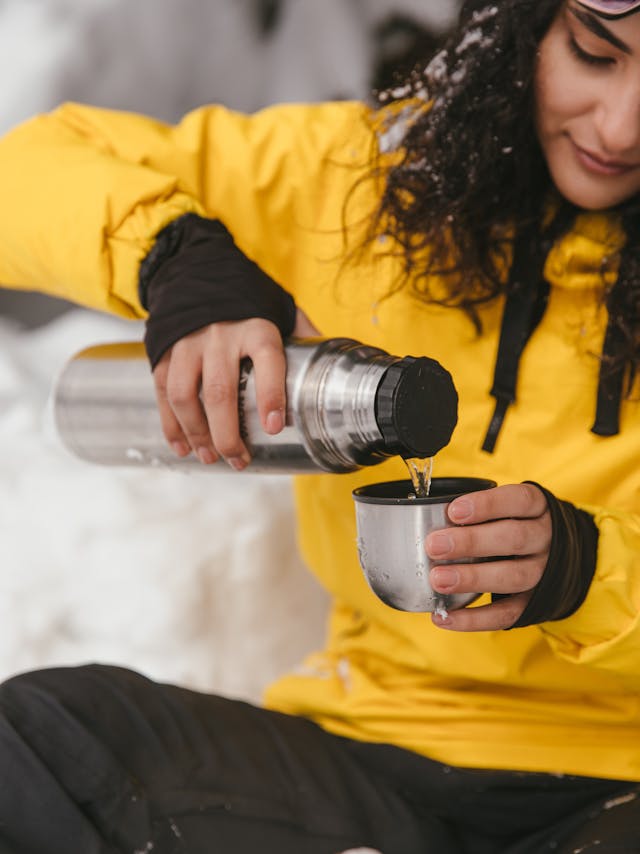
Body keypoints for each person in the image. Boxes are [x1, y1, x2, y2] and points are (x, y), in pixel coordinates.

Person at [1, 0, 640, 851]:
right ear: (523, 30)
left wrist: (588, 570)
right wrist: (175, 254)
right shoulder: (361, 184)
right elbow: (23, 170)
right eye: (595, 53)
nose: (620, 127)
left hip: (619, 781)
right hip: (366, 756)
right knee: (41, 744)